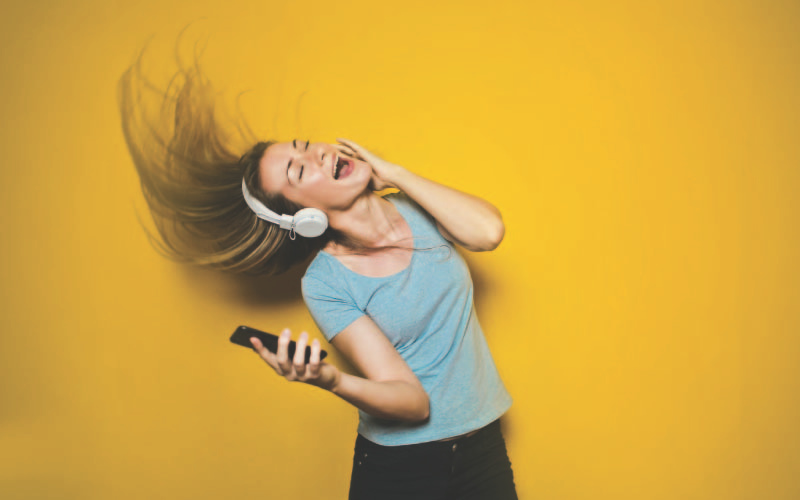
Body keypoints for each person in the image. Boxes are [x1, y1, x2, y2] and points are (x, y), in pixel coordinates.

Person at [118, 51, 518, 500]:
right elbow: (413, 402)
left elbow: (488, 232)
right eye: (299, 169)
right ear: (303, 217)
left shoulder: (420, 207)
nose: (319, 153)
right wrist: (331, 380)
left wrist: (394, 173)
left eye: (306, 146)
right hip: (402, 469)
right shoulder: (326, 283)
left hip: (482, 442)